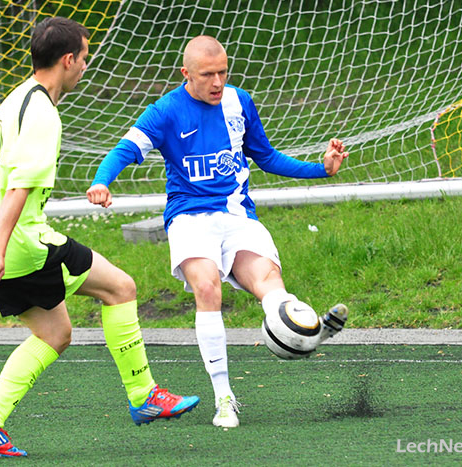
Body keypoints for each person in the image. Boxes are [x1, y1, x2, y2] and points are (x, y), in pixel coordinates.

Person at [0, 17, 199, 458]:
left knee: (54, 333)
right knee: (120, 288)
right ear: (68, 60)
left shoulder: (16, 97)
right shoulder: (42, 114)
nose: (86, 67)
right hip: (19, 243)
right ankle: (144, 395)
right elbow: (19, 188)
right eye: (85, 58)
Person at [87, 35, 349, 428]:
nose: (217, 82)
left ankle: (307, 333)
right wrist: (101, 181)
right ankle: (224, 397)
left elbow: (266, 156)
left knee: (271, 287)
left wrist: (321, 169)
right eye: (207, 74)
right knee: (208, 288)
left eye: (223, 72)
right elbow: (125, 149)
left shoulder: (239, 102)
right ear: (186, 73)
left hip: (237, 215)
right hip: (189, 218)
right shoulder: (166, 111)